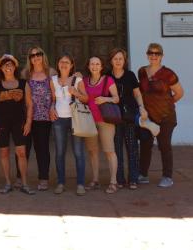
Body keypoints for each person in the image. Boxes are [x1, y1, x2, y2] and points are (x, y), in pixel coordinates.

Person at [138, 43, 184, 188]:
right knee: (145, 145)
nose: (153, 56)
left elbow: (179, 93)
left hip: (166, 116)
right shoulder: (142, 72)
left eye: (157, 53)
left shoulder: (168, 74)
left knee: (164, 146)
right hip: (148, 116)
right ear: (147, 55)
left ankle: (167, 177)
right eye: (151, 53)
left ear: (162, 56)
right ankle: (143, 174)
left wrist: (167, 104)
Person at [0, 54, 35, 195]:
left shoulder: (23, 83)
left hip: (19, 122)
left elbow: (29, 104)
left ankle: (24, 183)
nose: (8, 67)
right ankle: (8, 183)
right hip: (1, 122)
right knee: (4, 152)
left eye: (10, 64)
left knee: (21, 152)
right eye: (5, 65)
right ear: (1, 68)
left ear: (15, 67)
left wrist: (28, 122)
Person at [75, 56, 121, 194]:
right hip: (89, 121)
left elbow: (116, 98)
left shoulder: (108, 80)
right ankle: (95, 180)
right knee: (92, 151)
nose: (94, 66)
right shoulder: (84, 81)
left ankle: (113, 182)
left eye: (97, 64)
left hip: (105, 120)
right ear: (88, 66)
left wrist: (105, 99)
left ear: (101, 66)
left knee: (109, 151)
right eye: (92, 64)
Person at [108, 48, 148, 190]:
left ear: (124, 61)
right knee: (117, 148)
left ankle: (133, 179)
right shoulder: (107, 76)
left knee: (132, 147)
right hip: (113, 117)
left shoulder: (130, 75)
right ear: (111, 61)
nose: (118, 61)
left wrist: (141, 107)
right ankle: (119, 179)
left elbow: (137, 94)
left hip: (129, 116)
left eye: (121, 59)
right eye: (115, 59)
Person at [50, 53, 87, 195]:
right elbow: (53, 99)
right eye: (61, 62)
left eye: (67, 62)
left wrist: (76, 93)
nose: (64, 64)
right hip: (59, 119)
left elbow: (86, 98)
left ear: (71, 65)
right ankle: (60, 183)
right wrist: (52, 107)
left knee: (78, 152)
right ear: (58, 64)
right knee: (60, 152)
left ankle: (80, 184)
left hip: (75, 119)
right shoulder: (53, 80)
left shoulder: (77, 80)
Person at [21, 47, 56, 191]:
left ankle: (43, 178)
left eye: (38, 54)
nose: (36, 57)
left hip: (44, 116)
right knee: (23, 148)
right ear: (29, 58)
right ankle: (20, 178)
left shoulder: (51, 72)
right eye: (32, 55)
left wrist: (53, 106)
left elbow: (56, 93)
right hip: (26, 116)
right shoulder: (25, 74)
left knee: (42, 148)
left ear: (43, 55)